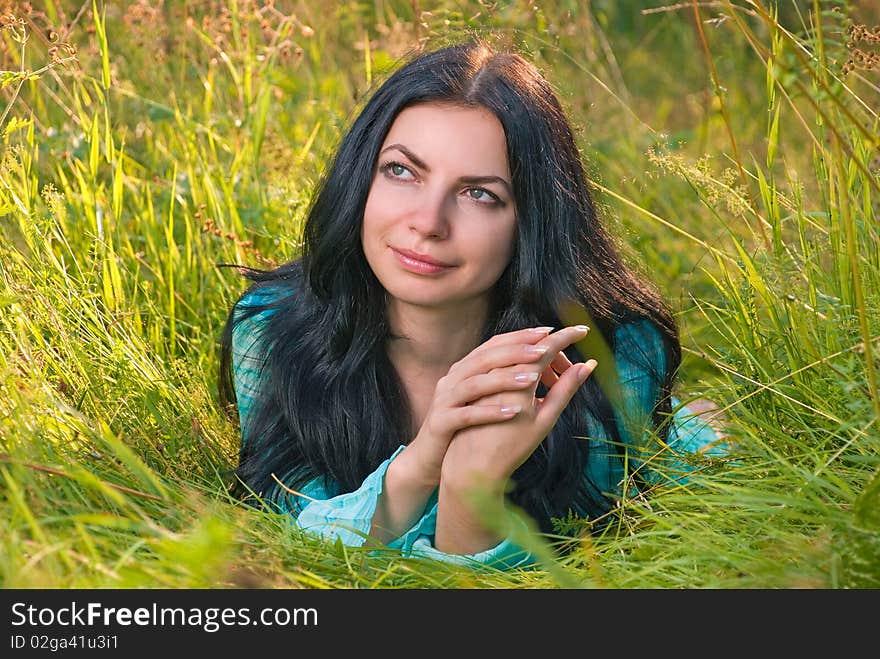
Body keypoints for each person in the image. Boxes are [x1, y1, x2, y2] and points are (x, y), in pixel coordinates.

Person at [218, 38, 726, 570]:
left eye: (479, 194)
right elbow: (302, 549)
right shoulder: (274, 329)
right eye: (402, 171)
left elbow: (583, 568)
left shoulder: (609, 357)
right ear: (361, 174)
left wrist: (467, 490)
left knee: (703, 444)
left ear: (531, 222)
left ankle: (698, 426)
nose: (427, 222)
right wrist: (422, 462)